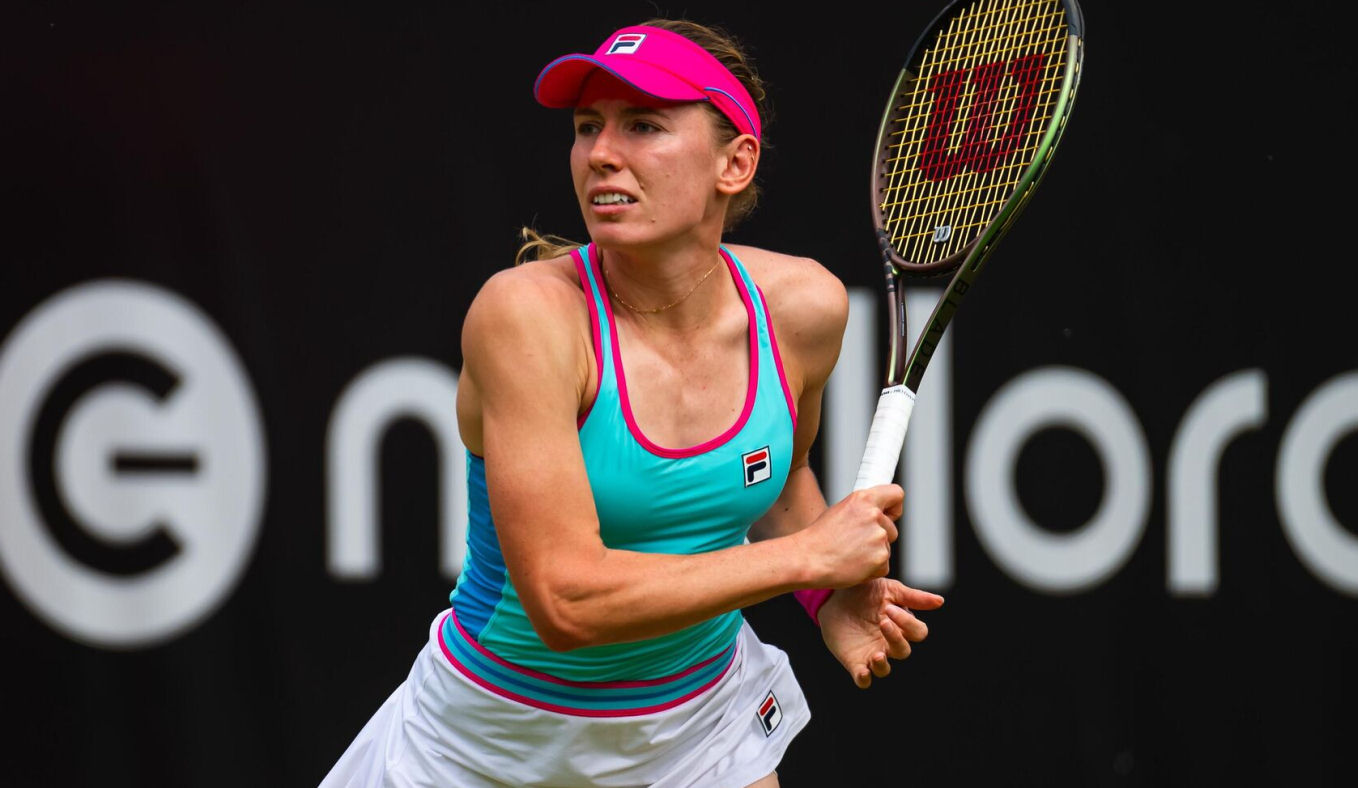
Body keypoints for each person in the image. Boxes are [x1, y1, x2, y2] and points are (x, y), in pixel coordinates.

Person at [321, 18, 944, 788]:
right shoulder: (527, 318)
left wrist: (826, 597)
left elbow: (778, 478)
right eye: (588, 127)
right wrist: (808, 559)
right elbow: (566, 603)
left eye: (643, 125)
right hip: (486, 745)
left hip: (700, 729)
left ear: (735, 163)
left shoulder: (802, 309)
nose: (601, 153)